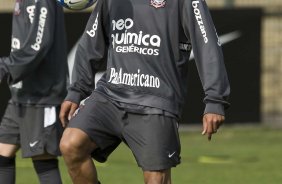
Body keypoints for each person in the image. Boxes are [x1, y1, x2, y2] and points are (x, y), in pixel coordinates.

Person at [59, 0, 230, 184]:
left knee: (156, 179)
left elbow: (207, 43)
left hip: (156, 101)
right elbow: (91, 42)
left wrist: (215, 100)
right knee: (71, 144)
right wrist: (77, 90)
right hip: (110, 94)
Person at [0, 0, 68, 183]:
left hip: (41, 95)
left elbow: (39, 44)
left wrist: (6, 67)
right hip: (21, 94)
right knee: (2, 154)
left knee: (43, 161)